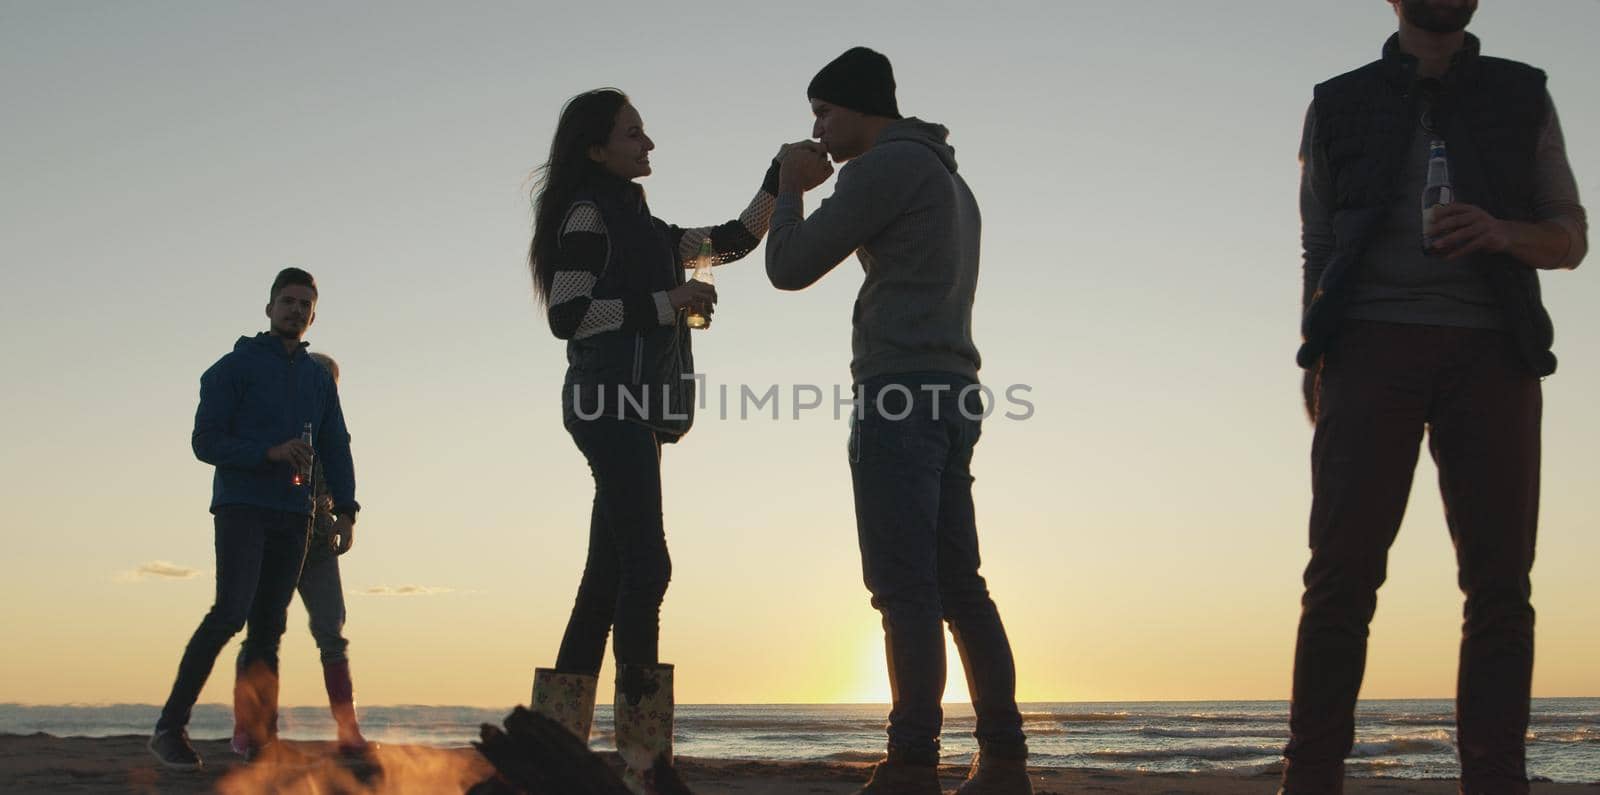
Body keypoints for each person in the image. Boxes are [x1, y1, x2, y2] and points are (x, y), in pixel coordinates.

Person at [1286, 2, 1586, 792]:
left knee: (1499, 585)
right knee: (1340, 578)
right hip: (1367, 350)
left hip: (1495, 352)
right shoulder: (1338, 100)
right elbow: (1318, 246)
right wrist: (1316, 359)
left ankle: (1496, 779)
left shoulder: (1522, 93)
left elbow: (1570, 237)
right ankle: (1309, 777)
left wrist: (1500, 231)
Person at [766, 47, 1032, 795]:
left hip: (899, 392)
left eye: (822, 111)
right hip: (954, 387)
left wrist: (789, 186)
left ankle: (913, 763)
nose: (816, 127)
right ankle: (1005, 761)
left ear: (857, 108)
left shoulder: (882, 169)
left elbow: (788, 265)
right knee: (960, 587)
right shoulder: (951, 178)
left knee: (903, 588)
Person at [524, 87, 792, 792]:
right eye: (634, 134)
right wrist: (664, 302)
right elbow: (567, 313)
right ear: (596, 149)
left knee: (605, 581)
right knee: (650, 567)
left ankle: (555, 751)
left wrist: (778, 179)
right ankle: (645, 760)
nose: (649, 145)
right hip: (607, 405)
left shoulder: (644, 225)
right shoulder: (587, 214)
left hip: (636, 411)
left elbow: (729, 241)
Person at [149, 267, 359, 768]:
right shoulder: (232, 368)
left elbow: (336, 445)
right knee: (229, 614)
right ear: (269, 309)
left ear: (313, 315)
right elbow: (205, 441)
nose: (295, 310)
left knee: (270, 629)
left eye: (304, 304)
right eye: (287, 301)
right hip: (243, 507)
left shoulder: (316, 379)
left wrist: (348, 508)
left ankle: (261, 739)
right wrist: (267, 452)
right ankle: (169, 729)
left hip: (297, 512)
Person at [229, 352, 371, 759]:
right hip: (274, 539)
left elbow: (341, 483)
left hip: (319, 543)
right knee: (261, 635)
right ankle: (248, 729)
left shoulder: (333, 435)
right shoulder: (276, 430)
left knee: (331, 633)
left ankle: (348, 732)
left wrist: (347, 517)